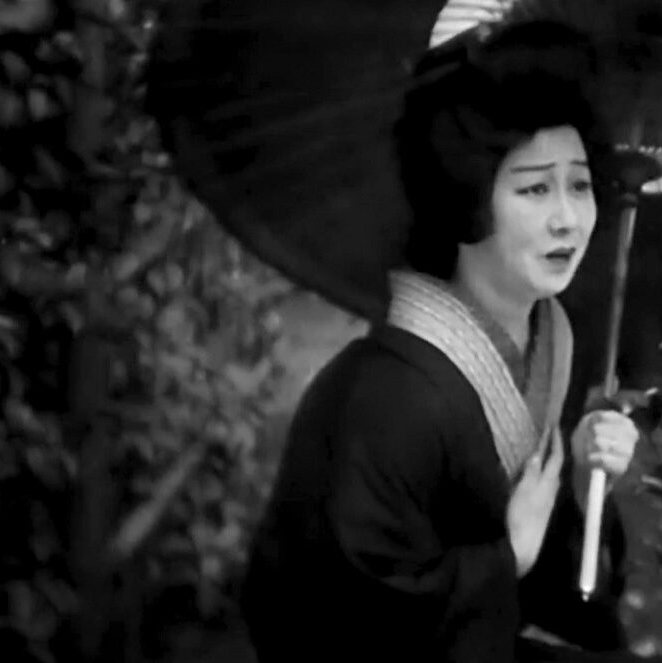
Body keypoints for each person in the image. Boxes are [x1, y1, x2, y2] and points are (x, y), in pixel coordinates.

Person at [240, 20, 641, 663]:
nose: (568, 219)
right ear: (467, 194)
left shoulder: (550, 347)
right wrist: (506, 558)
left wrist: (586, 487)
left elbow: (566, 599)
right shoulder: (380, 398)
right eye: (535, 188)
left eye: (580, 185)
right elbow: (338, 616)